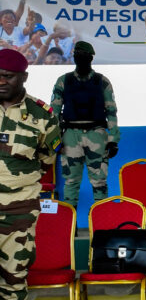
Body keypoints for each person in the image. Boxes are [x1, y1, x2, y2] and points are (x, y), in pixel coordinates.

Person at [0, 49, 61, 300]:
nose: (0, 81)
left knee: (13, 277)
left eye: (7, 76)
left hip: (19, 212)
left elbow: (48, 157)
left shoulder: (42, 115)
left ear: (24, 77)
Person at [50, 41, 119, 211]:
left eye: (83, 56)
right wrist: (55, 139)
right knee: (71, 181)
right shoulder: (63, 80)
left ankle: (101, 222)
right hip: (71, 134)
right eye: (77, 56)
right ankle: (69, 225)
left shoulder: (101, 81)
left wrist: (113, 139)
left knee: (99, 181)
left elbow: (111, 110)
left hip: (97, 134)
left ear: (91, 58)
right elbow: (54, 113)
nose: (79, 59)